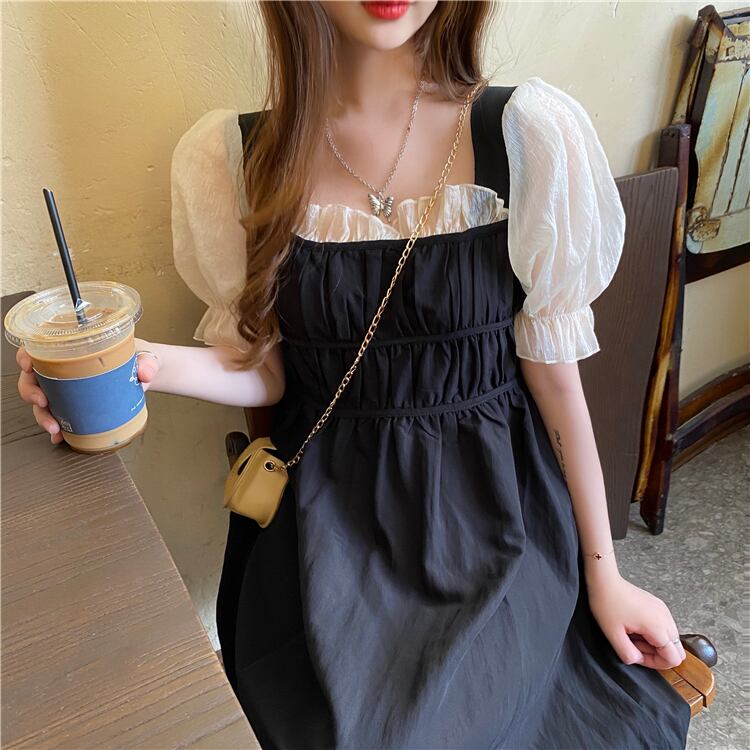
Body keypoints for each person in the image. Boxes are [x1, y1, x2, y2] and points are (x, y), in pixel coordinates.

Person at [17, 1, 693, 748]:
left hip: (497, 520)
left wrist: (605, 573)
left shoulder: (524, 133)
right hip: (330, 533)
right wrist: (133, 363)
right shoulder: (238, 157)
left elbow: (557, 383)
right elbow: (265, 374)